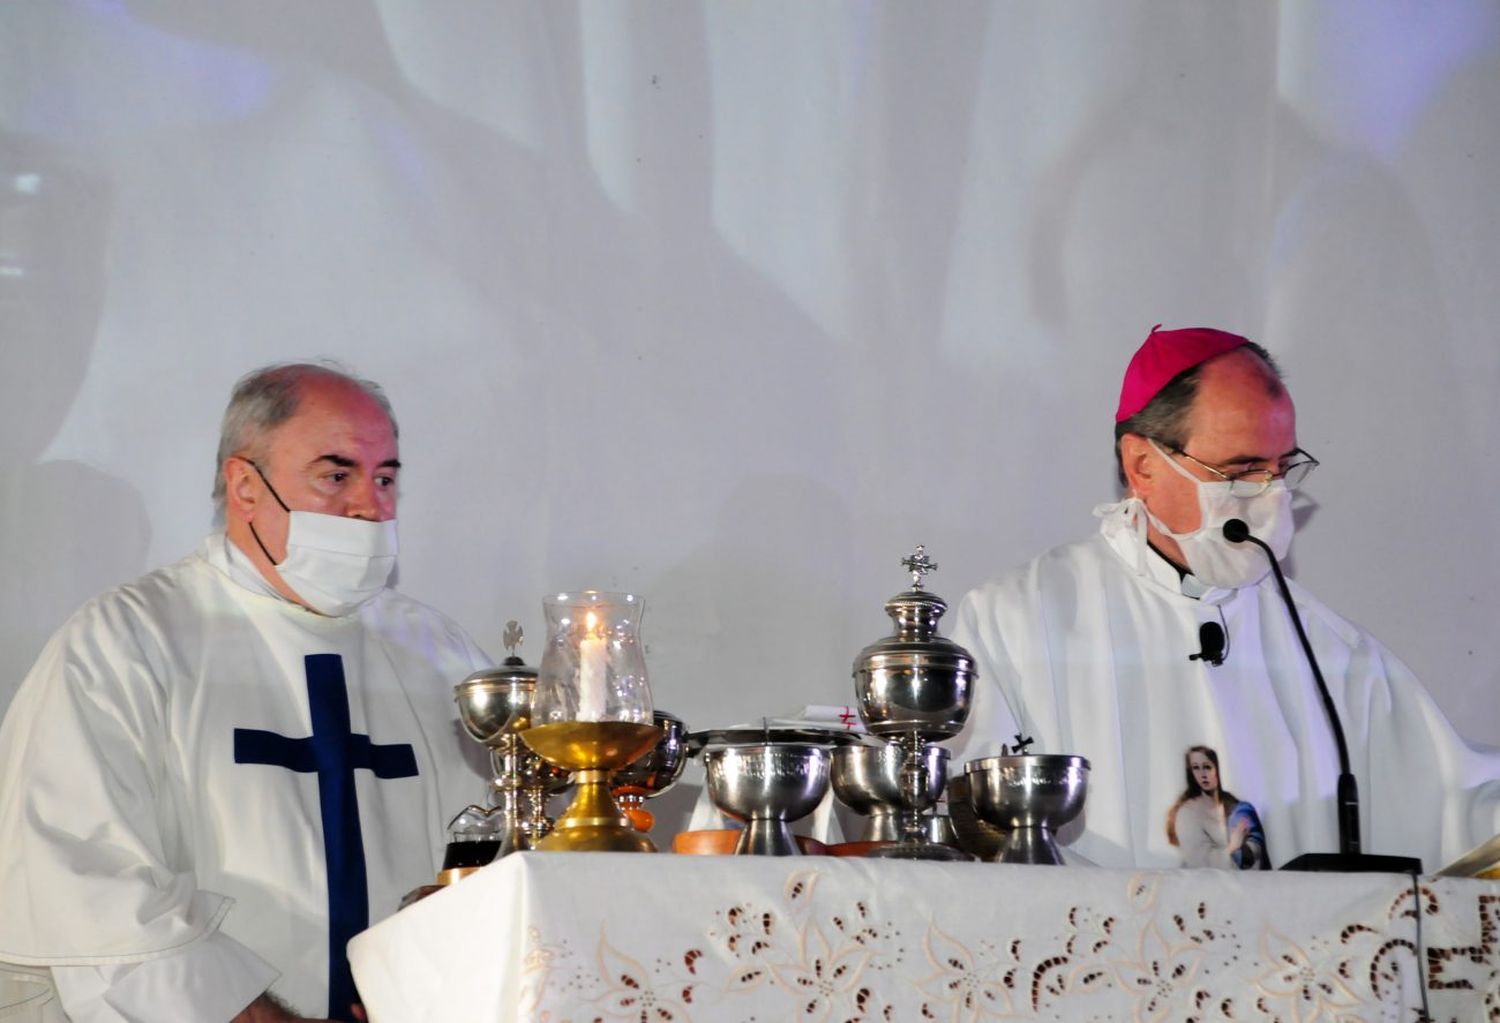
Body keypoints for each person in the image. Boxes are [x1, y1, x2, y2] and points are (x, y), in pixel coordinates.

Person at [0, 364, 491, 1022]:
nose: (369, 506)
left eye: (385, 477)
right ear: (245, 486)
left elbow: (503, 870)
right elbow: (81, 884)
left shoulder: (441, 655)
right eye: (336, 473)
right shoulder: (128, 641)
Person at [947, 326, 1500, 870]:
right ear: (1143, 466)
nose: (1271, 497)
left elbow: (1461, 814)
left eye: (1282, 468)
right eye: (1241, 471)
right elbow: (978, 835)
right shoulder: (1016, 621)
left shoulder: (1329, 650)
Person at [1164, 746, 1268, 870]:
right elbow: (1200, 863)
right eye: (1196, 768)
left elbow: (1256, 850)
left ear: (1218, 768)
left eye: (1207, 767)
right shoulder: (1188, 813)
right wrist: (1233, 847)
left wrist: (1246, 849)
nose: (1202, 775)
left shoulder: (1237, 807)